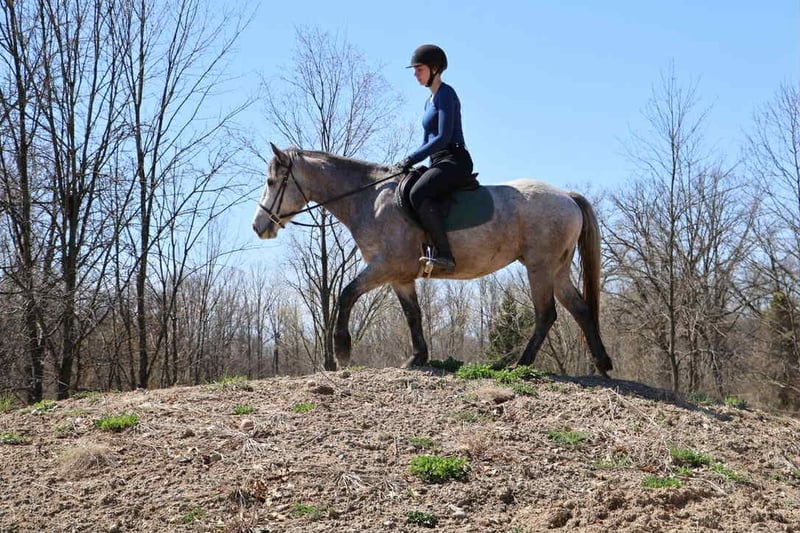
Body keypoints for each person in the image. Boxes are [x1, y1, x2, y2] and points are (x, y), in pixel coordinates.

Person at [396, 44, 474, 273]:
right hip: (437, 161)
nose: (415, 74)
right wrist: (409, 163)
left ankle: (446, 255)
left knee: (418, 192)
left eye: (419, 69)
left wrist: (411, 158)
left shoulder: (446, 94)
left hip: (455, 159)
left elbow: (442, 137)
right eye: (415, 70)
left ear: (435, 69)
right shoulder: (429, 101)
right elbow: (426, 143)